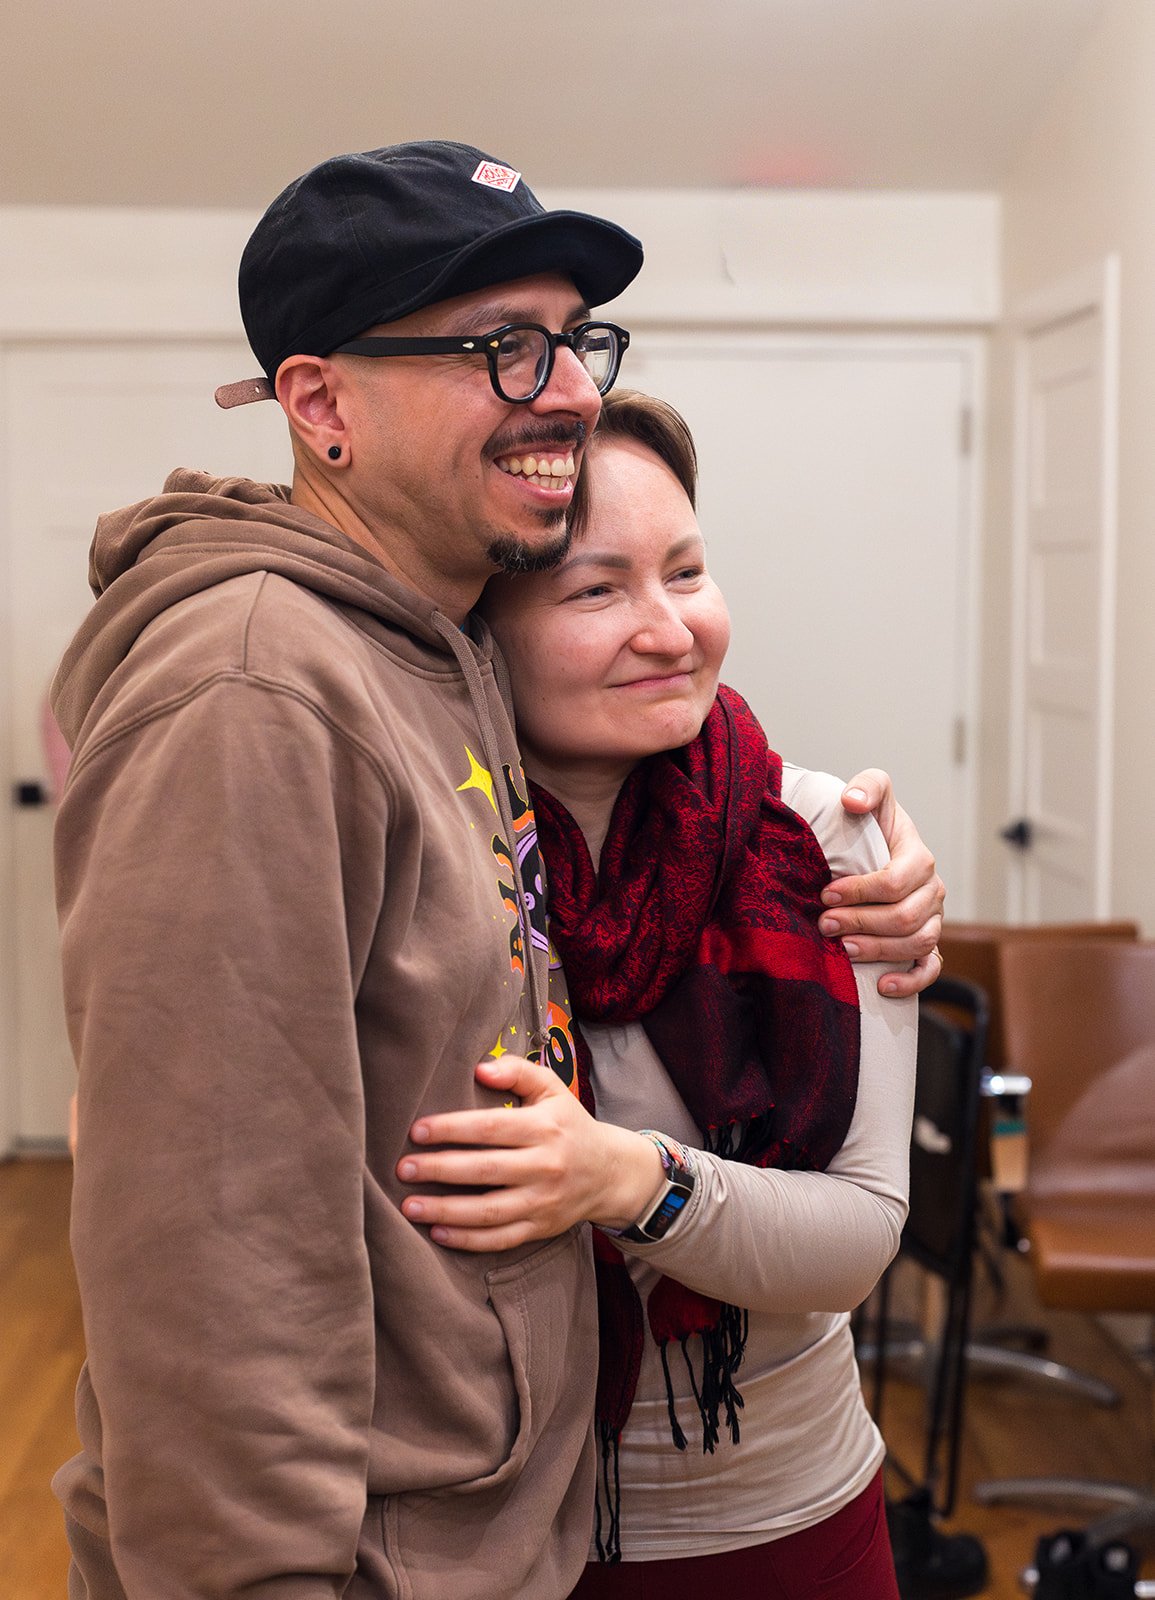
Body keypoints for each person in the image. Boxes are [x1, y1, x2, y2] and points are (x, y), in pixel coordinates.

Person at [50, 142, 940, 1600]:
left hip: (527, 1529)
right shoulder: (259, 686)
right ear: (319, 405)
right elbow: (209, 1253)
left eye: (576, 340)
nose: (570, 388)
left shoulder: (435, 673)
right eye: (502, 346)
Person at [395, 389, 919, 1598]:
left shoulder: (821, 837)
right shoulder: (422, 851)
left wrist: (625, 1179)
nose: (671, 629)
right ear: (482, 627)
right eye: (597, 590)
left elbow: (856, 1237)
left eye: (686, 570)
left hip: (788, 1518)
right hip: (489, 1533)